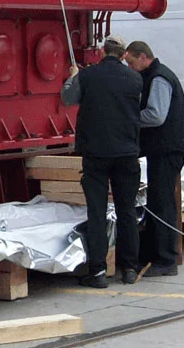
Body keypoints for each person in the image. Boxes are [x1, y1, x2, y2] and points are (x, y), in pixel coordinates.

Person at [61, 35, 144, 288]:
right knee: (127, 211)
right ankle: (129, 268)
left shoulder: (88, 76)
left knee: (96, 213)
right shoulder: (135, 79)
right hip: (127, 153)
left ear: (101, 52)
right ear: (122, 55)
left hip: (96, 153)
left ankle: (97, 271)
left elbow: (67, 98)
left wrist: (73, 76)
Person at [123, 41, 184, 277]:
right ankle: (158, 254)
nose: (131, 68)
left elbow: (156, 116)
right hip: (163, 149)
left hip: (167, 149)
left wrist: (127, 117)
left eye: (132, 62)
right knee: (158, 201)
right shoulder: (155, 75)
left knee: (163, 203)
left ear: (144, 57)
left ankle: (166, 259)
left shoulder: (158, 78)